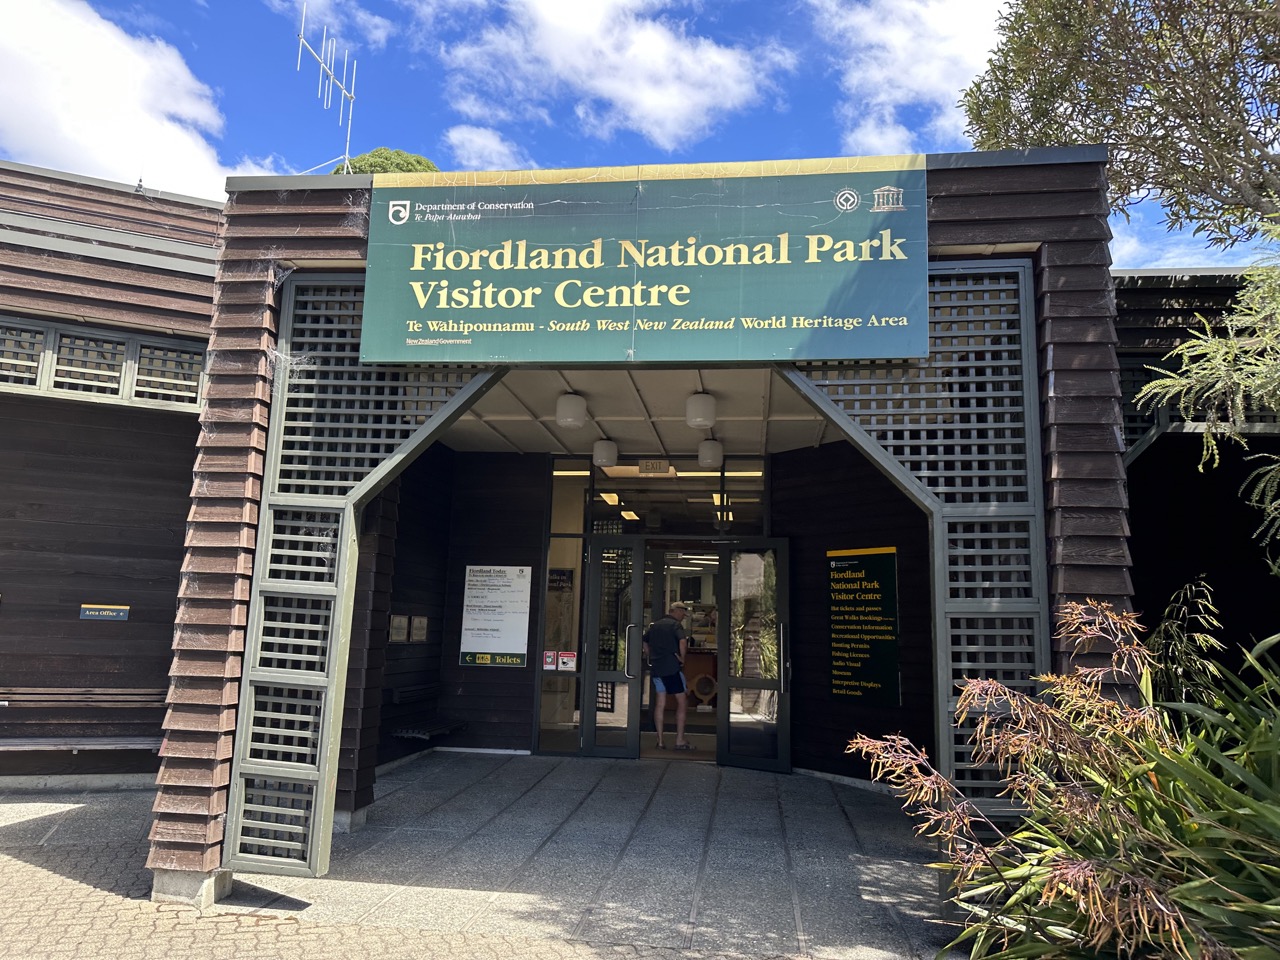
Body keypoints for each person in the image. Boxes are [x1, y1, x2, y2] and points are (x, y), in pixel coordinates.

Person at [643, 602, 691, 750]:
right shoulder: (675, 626)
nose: (683, 617)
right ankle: (680, 740)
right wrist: (682, 659)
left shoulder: (655, 625)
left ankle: (660, 741)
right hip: (672, 668)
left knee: (660, 704)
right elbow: (682, 642)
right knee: (682, 702)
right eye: (683, 613)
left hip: (657, 668)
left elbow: (644, 641)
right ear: (676, 611)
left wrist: (650, 656)